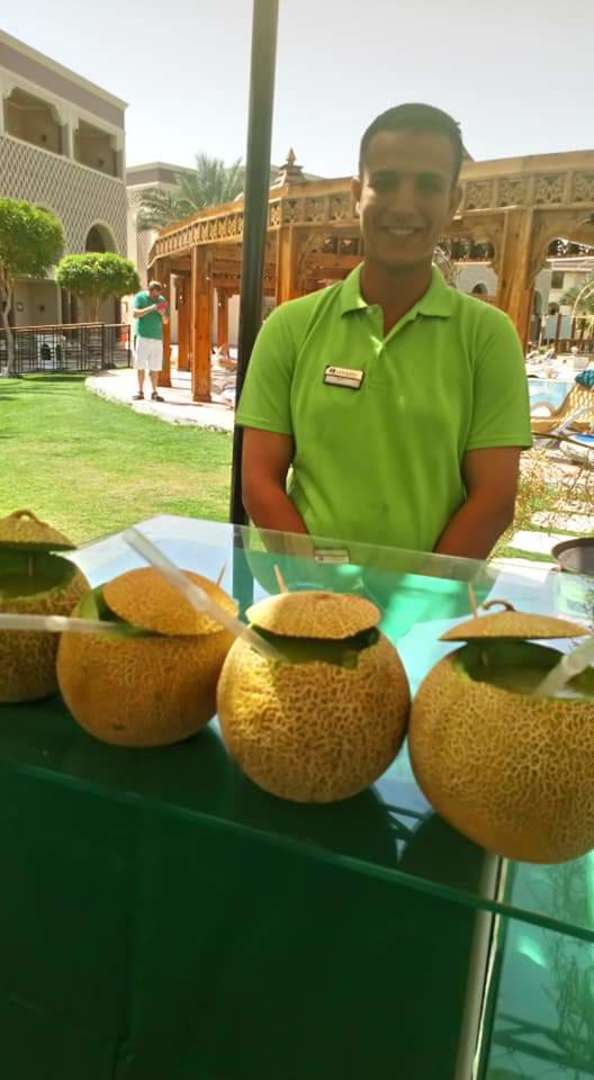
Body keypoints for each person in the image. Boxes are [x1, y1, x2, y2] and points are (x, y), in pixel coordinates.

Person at [236, 103, 532, 560]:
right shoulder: (290, 327)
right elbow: (259, 482)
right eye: (386, 182)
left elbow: (493, 500)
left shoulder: (488, 337)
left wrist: (418, 594)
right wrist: (316, 584)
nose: (404, 205)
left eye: (428, 185)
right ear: (358, 194)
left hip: (431, 599)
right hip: (307, 593)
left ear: (453, 202)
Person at [132, 280, 169, 402]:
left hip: (157, 338)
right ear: (149, 291)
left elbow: (166, 321)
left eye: (158, 295)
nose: (156, 297)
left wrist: (162, 314)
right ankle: (140, 391)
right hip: (143, 337)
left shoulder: (162, 300)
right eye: (154, 295)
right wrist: (151, 308)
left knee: (155, 367)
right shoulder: (140, 297)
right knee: (140, 365)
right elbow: (135, 314)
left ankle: (154, 392)